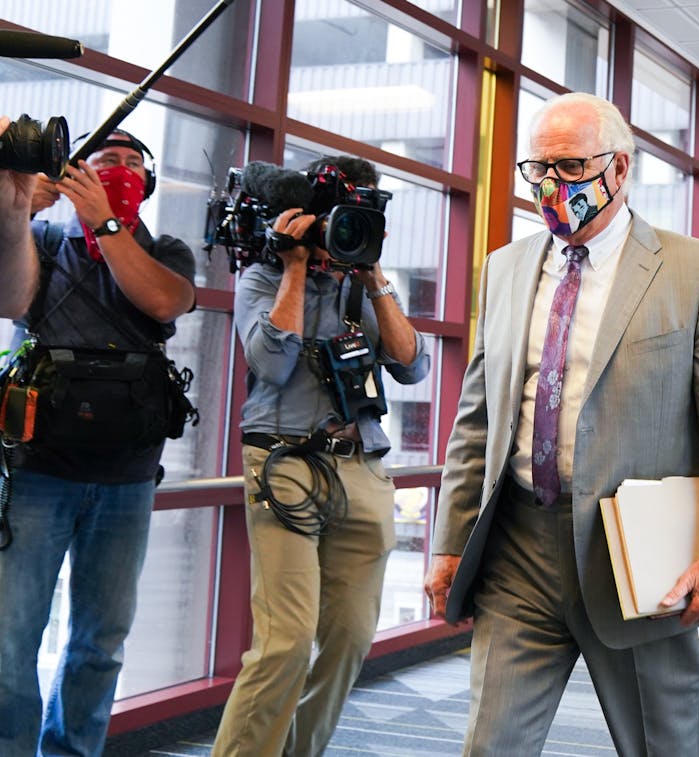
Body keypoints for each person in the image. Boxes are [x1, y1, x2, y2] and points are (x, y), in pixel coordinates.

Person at [423, 92, 699, 756]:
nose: (552, 185)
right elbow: (478, 419)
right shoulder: (505, 268)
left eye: (572, 166)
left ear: (620, 168)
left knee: (663, 745)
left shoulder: (693, 270)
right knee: (488, 744)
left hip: (637, 556)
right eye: (539, 168)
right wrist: (449, 542)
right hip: (518, 548)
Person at [211, 155, 429, 757]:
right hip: (284, 464)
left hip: (360, 467)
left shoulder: (365, 286)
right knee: (286, 640)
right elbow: (271, 363)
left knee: (350, 639)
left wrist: (373, 273)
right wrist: (295, 268)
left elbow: (411, 365)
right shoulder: (262, 277)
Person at [0, 127, 197, 756]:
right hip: (35, 470)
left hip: (127, 478)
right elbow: (11, 298)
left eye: (133, 164)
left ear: (148, 184)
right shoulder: (45, 241)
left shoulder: (163, 249)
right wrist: (18, 205)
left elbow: (164, 301)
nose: (120, 169)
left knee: (100, 644)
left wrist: (106, 226)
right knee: (9, 641)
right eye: (105, 160)